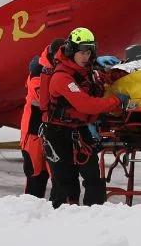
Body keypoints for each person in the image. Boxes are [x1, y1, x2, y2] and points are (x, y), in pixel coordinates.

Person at [39, 27, 128, 208]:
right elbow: (86, 104)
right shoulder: (61, 77)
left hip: (79, 130)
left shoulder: (87, 72)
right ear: (72, 51)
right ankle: (59, 219)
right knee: (64, 182)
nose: (86, 56)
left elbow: (97, 91)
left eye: (89, 52)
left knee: (94, 178)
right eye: (82, 52)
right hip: (57, 133)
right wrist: (116, 100)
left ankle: (93, 215)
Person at [19, 37, 64, 198]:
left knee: (58, 174)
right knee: (36, 174)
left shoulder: (60, 69)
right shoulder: (38, 71)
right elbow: (40, 99)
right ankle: (31, 212)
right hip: (33, 130)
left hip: (53, 128)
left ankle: (57, 210)